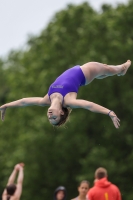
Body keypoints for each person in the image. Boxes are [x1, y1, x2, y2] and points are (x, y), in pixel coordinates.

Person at [0, 60, 131, 127]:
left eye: (49, 118)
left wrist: (6, 105)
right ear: (61, 113)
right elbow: (89, 105)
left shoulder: (46, 100)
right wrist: (109, 112)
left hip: (83, 71)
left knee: (102, 73)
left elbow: (23, 101)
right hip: (85, 72)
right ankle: (122, 69)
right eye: (54, 118)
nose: (50, 116)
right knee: (107, 68)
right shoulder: (69, 101)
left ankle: (106, 74)